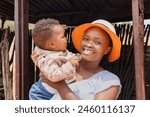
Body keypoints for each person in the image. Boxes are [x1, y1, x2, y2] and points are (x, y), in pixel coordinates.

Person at [40, 19, 122, 100]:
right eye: (86, 39)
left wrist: (60, 86)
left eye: (97, 42)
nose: (89, 44)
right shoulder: (65, 63)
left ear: (106, 50)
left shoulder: (108, 81)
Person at [29, 18, 81, 100]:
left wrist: (78, 57)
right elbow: (54, 76)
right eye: (63, 36)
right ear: (52, 44)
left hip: (55, 89)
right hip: (43, 93)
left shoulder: (58, 51)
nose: (66, 38)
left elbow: (68, 56)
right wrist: (70, 64)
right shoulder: (47, 59)